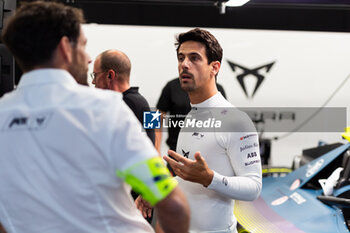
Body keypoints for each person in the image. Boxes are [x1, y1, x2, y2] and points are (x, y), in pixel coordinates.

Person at [0, 2, 190, 233]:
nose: (88, 59)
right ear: (64, 48)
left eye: (95, 74)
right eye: (83, 46)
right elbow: (174, 205)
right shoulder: (108, 109)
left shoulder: (3, 114)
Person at [163, 28, 262, 233]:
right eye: (181, 58)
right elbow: (187, 179)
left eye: (194, 58)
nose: (184, 64)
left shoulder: (236, 120)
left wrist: (210, 179)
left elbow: (254, 187)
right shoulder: (191, 114)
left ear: (214, 67)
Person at [92, 49, 155, 144]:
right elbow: (154, 141)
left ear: (110, 75)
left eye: (95, 75)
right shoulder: (142, 102)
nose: (93, 81)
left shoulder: (122, 106)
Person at [155, 77, 226, 153]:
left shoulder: (217, 89)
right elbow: (154, 119)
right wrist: (156, 150)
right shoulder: (172, 86)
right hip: (176, 155)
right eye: (181, 64)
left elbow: (225, 122)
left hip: (208, 155)